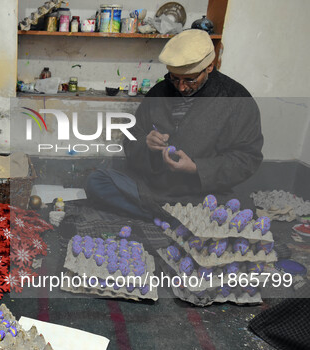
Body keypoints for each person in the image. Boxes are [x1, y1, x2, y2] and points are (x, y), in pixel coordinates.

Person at [86, 29, 263, 219]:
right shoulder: (159, 92)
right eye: (174, 78)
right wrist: (147, 145)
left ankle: (165, 215)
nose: (181, 87)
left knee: (242, 210)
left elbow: (247, 158)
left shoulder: (236, 100)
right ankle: (173, 217)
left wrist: (197, 168)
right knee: (97, 181)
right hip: (154, 188)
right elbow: (131, 140)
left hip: (200, 193)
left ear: (210, 67)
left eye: (190, 79)